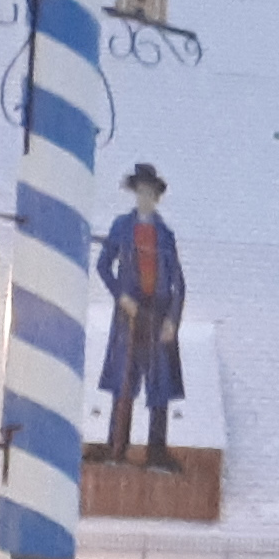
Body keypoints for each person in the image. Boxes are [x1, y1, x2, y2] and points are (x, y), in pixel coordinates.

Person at [94, 163, 187, 470]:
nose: (145, 198)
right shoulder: (122, 226)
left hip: (157, 313)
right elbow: (103, 265)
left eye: (150, 193)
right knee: (125, 376)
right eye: (141, 192)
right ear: (135, 193)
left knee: (159, 381)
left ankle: (156, 453)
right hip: (129, 314)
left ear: (157, 197)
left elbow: (178, 283)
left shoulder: (165, 235)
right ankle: (116, 447)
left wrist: (172, 320)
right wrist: (121, 296)